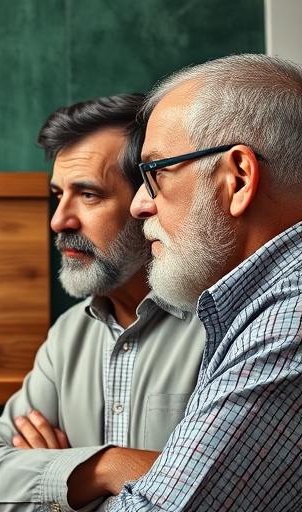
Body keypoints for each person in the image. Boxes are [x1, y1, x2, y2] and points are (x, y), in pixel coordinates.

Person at [68, 54, 302, 510]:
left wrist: (68, 475)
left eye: (155, 174)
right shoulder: (259, 309)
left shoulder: (288, 326)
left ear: (237, 179)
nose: (140, 205)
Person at [0, 94, 205, 511]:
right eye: (58, 194)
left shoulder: (224, 325)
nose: (59, 220)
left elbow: (215, 492)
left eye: (89, 195)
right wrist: (108, 468)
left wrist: (61, 476)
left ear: (148, 203)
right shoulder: (68, 334)